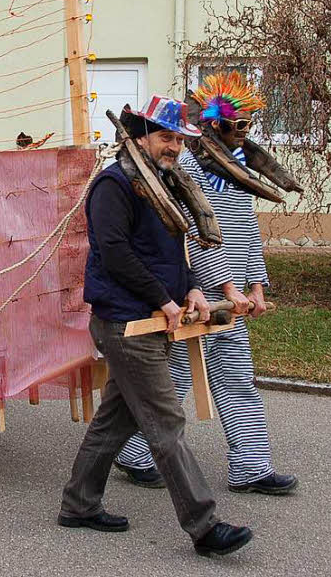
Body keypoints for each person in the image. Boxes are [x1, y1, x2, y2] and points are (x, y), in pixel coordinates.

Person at [58, 94, 253, 558]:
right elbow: (115, 252)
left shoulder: (162, 183)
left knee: (113, 422)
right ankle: (205, 527)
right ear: (139, 136)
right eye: (165, 137)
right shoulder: (114, 184)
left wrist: (189, 288)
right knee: (166, 422)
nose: (174, 147)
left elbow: (170, 253)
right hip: (127, 324)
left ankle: (79, 504)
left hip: (150, 319)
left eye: (179, 140)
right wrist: (162, 298)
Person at [114, 71, 298, 496]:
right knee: (174, 381)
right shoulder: (185, 169)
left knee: (237, 379)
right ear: (216, 123)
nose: (246, 134)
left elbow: (246, 230)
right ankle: (134, 452)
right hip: (196, 292)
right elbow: (194, 237)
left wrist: (255, 287)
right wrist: (225, 285)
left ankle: (251, 468)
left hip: (232, 298)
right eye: (241, 124)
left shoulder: (236, 172)